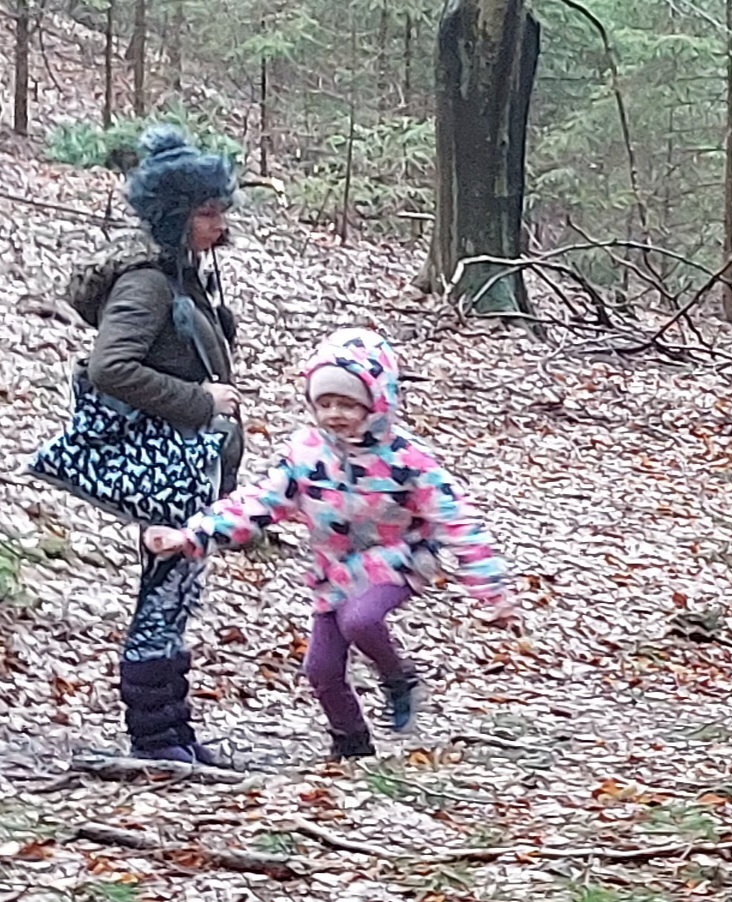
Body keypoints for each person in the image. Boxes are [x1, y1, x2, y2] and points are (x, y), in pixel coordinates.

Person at [143, 329, 509, 761]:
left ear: (377, 403)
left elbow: (457, 519)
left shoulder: (408, 459)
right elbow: (261, 501)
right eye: (326, 403)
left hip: (400, 558)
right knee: (320, 669)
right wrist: (192, 535)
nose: (335, 413)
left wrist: (491, 590)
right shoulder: (307, 455)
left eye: (348, 404)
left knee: (362, 619)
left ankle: (399, 678)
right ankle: (351, 742)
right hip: (334, 569)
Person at [70, 127, 245, 764]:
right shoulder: (146, 283)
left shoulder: (185, 273)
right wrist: (201, 402)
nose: (219, 224)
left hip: (187, 464)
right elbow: (108, 368)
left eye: (221, 210)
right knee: (164, 599)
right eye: (207, 212)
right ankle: (157, 740)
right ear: (174, 214)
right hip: (163, 466)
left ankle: (174, 737)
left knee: (176, 597)